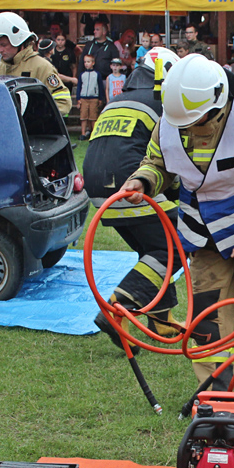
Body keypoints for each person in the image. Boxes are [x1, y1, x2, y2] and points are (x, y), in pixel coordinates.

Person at [121, 54, 234, 400]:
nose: (186, 129)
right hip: (203, 236)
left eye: (195, 122)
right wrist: (143, 180)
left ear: (217, 105)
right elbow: (157, 162)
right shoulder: (172, 119)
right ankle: (217, 385)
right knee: (206, 315)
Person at [82, 47, 183, 348]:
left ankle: (161, 320)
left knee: (153, 249)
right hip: (130, 185)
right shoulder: (161, 102)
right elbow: (170, 156)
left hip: (98, 189)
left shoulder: (118, 100)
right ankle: (116, 307)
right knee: (176, 245)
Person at [0, 12, 72, 117]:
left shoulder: (41, 66)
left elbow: (63, 102)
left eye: (4, 45)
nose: (0, 50)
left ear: (19, 41)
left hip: (32, 132)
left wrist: (35, 115)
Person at [76, 54, 105, 140]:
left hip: (93, 97)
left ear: (93, 63)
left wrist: (100, 98)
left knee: (93, 117)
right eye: (85, 62)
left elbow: (100, 87)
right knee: (83, 116)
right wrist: (78, 98)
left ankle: (93, 133)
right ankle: (83, 133)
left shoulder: (97, 74)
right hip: (83, 97)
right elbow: (79, 87)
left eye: (88, 62)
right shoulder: (82, 74)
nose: (86, 64)